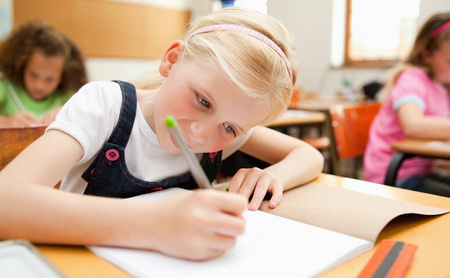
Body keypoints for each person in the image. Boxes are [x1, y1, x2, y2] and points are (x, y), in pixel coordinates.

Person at [0, 7, 324, 261]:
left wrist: (274, 176)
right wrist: (153, 225)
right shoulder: (104, 106)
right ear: (172, 60)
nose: (199, 134)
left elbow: (308, 156)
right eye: (202, 100)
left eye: (231, 128)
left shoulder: (225, 131)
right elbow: (6, 203)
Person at [364, 12, 450, 196]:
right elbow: (413, 125)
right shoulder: (411, 79)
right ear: (426, 55)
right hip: (393, 174)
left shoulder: (443, 87)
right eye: (449, 61)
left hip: (422, 172)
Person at [0, 19, 88, 128]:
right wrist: (6, 122)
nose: (39, 85)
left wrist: (69, 113)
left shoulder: (67, 96)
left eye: (50, 79)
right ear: (22, 65)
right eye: (33, 75)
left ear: (63, 77)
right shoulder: (5, 86)